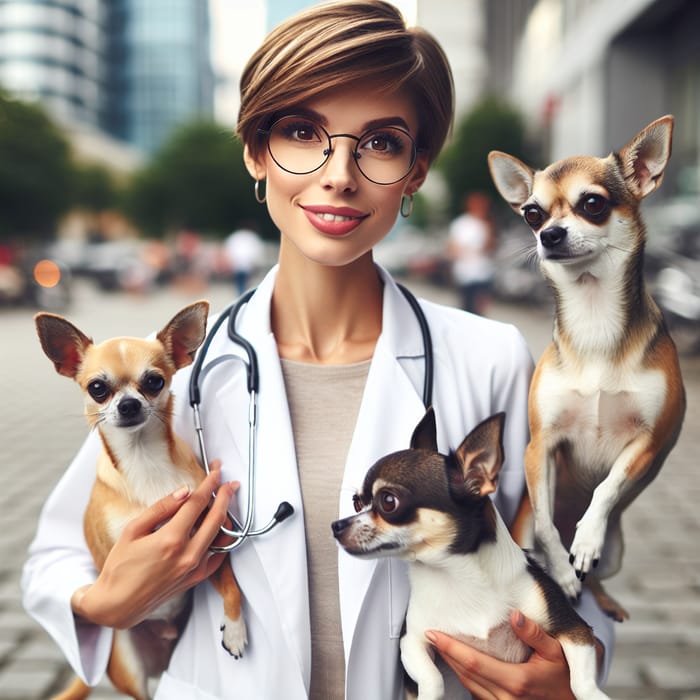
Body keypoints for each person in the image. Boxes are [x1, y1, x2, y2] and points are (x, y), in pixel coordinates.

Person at [21, 2, 614, 699]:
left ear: (417, 169)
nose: (339, 173)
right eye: (302, 133)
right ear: (254, 150)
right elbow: (59, 553)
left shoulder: (490, 359)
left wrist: (569, 681)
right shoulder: (174, 378)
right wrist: (101, 605)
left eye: (382, 142)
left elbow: (568, 562)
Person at [448, 191, 497, 315]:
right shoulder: (461, 223)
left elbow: (491, 247)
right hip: (465, 273)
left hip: (483, 273)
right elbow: (452, 248)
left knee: (480, 310)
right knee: (466, 308)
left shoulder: (487, 224)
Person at [223, 224, 265, 295]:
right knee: (244, 282)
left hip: (237, 264)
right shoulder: (252, 237)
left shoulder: (235, 236)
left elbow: (228, 249)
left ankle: (240, 294)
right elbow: (257, 250)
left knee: (239, 282)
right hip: (245, 264)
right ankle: (242, 294)